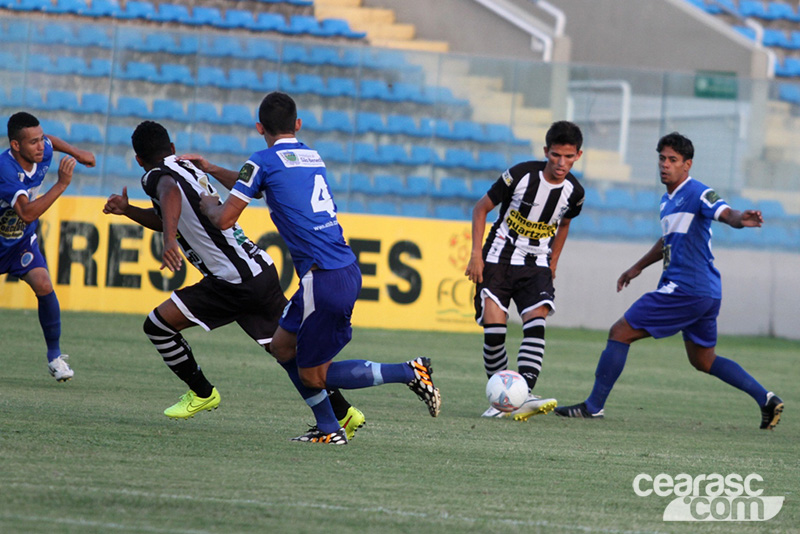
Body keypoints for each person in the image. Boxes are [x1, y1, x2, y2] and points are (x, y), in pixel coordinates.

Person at [192, 91, 441, 445]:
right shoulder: (309, 155)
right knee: (281, 347)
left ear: (259, 127)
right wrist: (214, 169)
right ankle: (328, 429)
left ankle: (406, 372)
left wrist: (208, 204)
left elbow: (225, 219)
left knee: (313, 375)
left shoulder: (262, 160)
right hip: (339, 270)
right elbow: (260, 187)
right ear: (298, 124)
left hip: (323, 277)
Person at [102, 121, 365, 440]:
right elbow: (169, 215)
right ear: (172, 149)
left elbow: (168, 194)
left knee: (157, 325)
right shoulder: (187, 167)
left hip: (230, 281)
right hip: (259, 271)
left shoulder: (155, 175)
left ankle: (201, 392)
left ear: (139, 160)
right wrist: (129, 210)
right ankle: (343, 413)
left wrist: (170, 241)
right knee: (286, 350)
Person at [554, 132, 784, 430]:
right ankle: (766, 398)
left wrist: (742, 218)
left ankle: (592, 407)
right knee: (703, 360)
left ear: (687, 165)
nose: (665, 165)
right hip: (705, 292)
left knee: (620, 332)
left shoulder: (698, 191)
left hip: (686, 288)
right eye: (662, 158)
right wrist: (637, 267)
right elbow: (669, 239)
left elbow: (725, 212)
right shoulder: (668, 201)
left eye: (673, 160)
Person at [465, 120, 585, 421]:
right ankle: (501, 399)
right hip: (497, 258)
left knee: (536, 322)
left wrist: (554, 260)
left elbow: (565, 223)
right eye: (556, 155)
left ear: (578, 156)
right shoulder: (519, 176)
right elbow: (481, 208)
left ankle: (523, 395)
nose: (561, 163)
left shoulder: (575, 192)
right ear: (546, 151)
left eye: (568, 157)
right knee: (494, 330)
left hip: (536, 264)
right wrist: (475, 255)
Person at [1, 111, 95, 381]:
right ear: (15, 146)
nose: (41, 146)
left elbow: (51, 141)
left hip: (18, 242)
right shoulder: (6, 170)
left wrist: (77, 152)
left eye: (40, 139)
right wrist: (62, 184)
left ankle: (55, 358)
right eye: (33, 142)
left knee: (43, 284)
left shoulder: (42, 151)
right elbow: (27, 213)